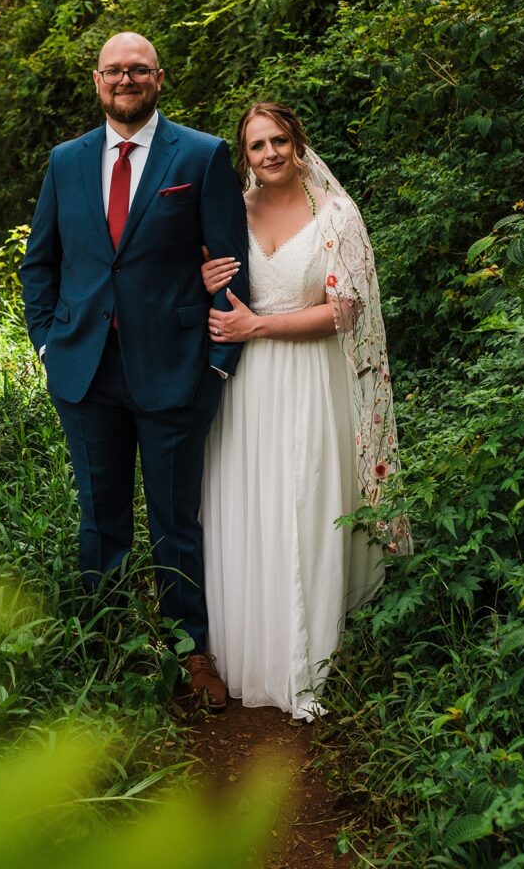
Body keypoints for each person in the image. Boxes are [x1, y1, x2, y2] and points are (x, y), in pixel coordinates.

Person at [20, 32, 249, 710]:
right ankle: (107, 645)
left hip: (175, 369)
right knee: (101, 518)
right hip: (85, 372)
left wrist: (218, 361)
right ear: (97, 81)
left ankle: (192, 651)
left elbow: (229, 266)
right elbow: (40, 263)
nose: (126, 79)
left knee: (176, 518)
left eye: (138, 70)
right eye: (115, 70)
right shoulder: (65, 162)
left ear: (158, 78)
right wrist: (44, 344)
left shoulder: (201, 155)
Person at [200, 102, 411, 720]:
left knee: (302, 503)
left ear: (297, 144)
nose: (269, 154)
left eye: (279, 142)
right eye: (257, 145)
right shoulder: (232, 212)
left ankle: (304, 663)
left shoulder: (334, 216)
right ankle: (245, 655)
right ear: (246, 155)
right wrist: (204, 273)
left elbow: (344, 312)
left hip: (307, 381)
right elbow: (212, 289)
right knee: (247, 506)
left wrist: (256, 325)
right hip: (243, 389)